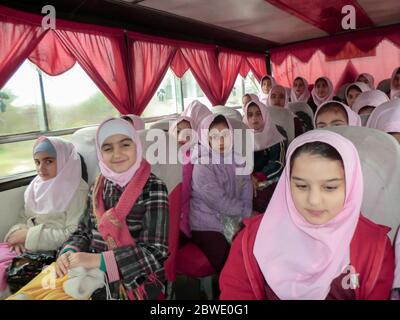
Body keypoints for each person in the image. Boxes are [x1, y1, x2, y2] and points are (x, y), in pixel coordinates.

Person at [219, 130, 395, 300]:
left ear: (351, 186)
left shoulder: (373, 247)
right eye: (301, 186)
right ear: (287, 184)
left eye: (330, 187)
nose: (314, 201)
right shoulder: (251, 240)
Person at [10, 118, 170, 300]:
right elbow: (83, 232)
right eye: (107, 148)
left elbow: (156, 251)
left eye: (125, 145)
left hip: (133, 279)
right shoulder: (97, 187)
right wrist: (68, 251)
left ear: (137, 146)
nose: (117, 154)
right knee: (29, 294)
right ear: (100, 153)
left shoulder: (153, 187)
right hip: (88, 271)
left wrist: (99, 261)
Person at [0, 137, 88, 297]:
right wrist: (16, 234)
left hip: (53, 251)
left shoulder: (77, 190)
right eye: (37, 162)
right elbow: (23, 218)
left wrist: (28, 236)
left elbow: (73, 234)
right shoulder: (35, 186)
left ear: (63, 161)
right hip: (23, 245)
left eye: (48, 161)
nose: (41, 168)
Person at [189, 114, 252, 273]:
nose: (221, 141)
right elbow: (218, 201)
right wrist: (246, 212)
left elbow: (246, 183)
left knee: (253, 249)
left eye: (225, 135)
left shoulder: (236, 157)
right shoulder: (202, 165)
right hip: (207, 224)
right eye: (214, 136)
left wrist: (247, 212)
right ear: (206, 138)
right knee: (232, 265)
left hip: (234, 215)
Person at [243, 100, 287, 213]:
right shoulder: (241, 137)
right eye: (250, 115)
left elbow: (278, 164)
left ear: (265, 115)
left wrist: (257, 177)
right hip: (246, 180)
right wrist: (247, 178)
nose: (254, 118)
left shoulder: (276, 136)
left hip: (269, 180)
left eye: (258, 114)